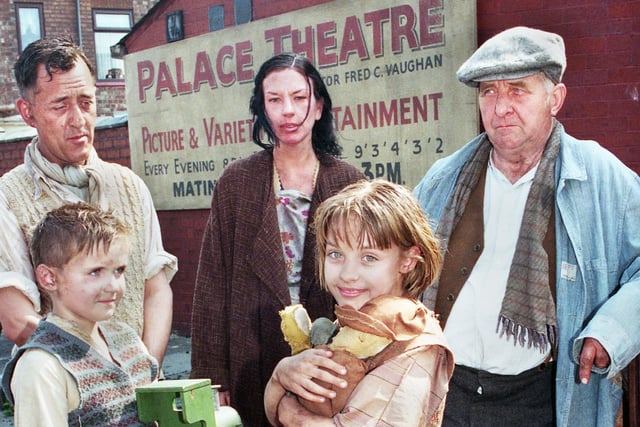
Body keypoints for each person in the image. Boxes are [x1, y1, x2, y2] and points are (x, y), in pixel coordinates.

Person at [413, 26, 640, 426]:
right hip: (442, 389)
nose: (500, 107)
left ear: (555, 98)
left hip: (541, 400)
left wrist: (613, 330)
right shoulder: (443, 177)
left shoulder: (603, 178)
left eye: (517, 90)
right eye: (488, 92)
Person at [190, 52, 365, 426]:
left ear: (318, 107)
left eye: (299, 98)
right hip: (251, 352)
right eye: (274, 100)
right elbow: (211, 286)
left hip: (331, 357)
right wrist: (210, 378)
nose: (288, 111)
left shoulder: (349, 183)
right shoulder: (237, 183)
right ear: (262, 110)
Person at [0, 36, 177, 367]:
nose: (78, 119)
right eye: (60, 105)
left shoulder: (130, 186)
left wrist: (144, 374)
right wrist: (103, 373)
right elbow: (17, 318)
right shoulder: (7, 197)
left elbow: (156, 290)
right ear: (28, 112)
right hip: (58, 391)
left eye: (85, 102)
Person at [264, 179, 454, 426]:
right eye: (335, 254)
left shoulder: (415, 344)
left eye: (369, 257)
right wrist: (281, 375)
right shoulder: (352, 322)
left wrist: (291, 414)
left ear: (407, 261)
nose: (347, 274)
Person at [2, 202, 159, 426]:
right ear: (49, 278)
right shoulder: (42, 365)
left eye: (119, 270)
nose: (114, 286)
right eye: (95, 272)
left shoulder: (129, 341)